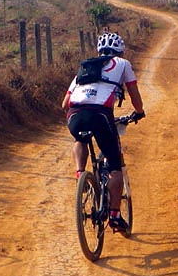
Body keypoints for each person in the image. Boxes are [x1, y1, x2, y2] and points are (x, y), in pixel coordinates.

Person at [61, 32, 145, 233]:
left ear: (99, 51)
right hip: (101, 115)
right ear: (120, 51)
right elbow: (134, 94)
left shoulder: (85, 67)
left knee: (80, 138)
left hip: (75, 115)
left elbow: (64, 104)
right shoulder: (122, 64)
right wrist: (139, 112)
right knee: (115, 166)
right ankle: (115, 215)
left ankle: (80, 173)